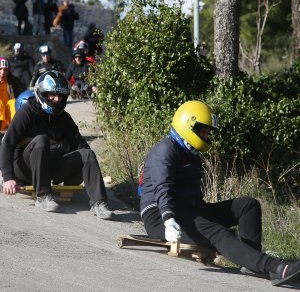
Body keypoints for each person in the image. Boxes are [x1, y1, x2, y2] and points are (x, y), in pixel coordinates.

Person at [139, 100, 300, 286]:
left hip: (188, 212)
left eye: (208, 131)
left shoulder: (190, 153)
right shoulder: (164, 150)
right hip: (160, 216)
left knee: (248, 205)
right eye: (204, 131)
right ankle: (276, 267)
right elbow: (162, 187)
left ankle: (251, 262)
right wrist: (168, 219)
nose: (207, 135)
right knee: (217, 232)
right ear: (188, 126)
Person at [0, 71, 114, 219]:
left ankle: (99, 203)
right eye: (51, 95)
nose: (56, 99)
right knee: (41, 140)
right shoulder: (26, 112)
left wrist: (86, 172)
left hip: (48, 168)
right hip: (23, 169)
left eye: (60, 95)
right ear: (42, 93)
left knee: (87, 154)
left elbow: (81, 145)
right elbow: (7, 144)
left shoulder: (64, 118)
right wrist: (8, 177)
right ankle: (43, 196)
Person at [0, 57, 25, 132]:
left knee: (13, 102)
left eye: (5, 70)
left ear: (9, 71)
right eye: (0, 69)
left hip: (9, 114)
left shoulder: (14, 81)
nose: (3, 72)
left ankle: (15, 130)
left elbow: (21, 99)